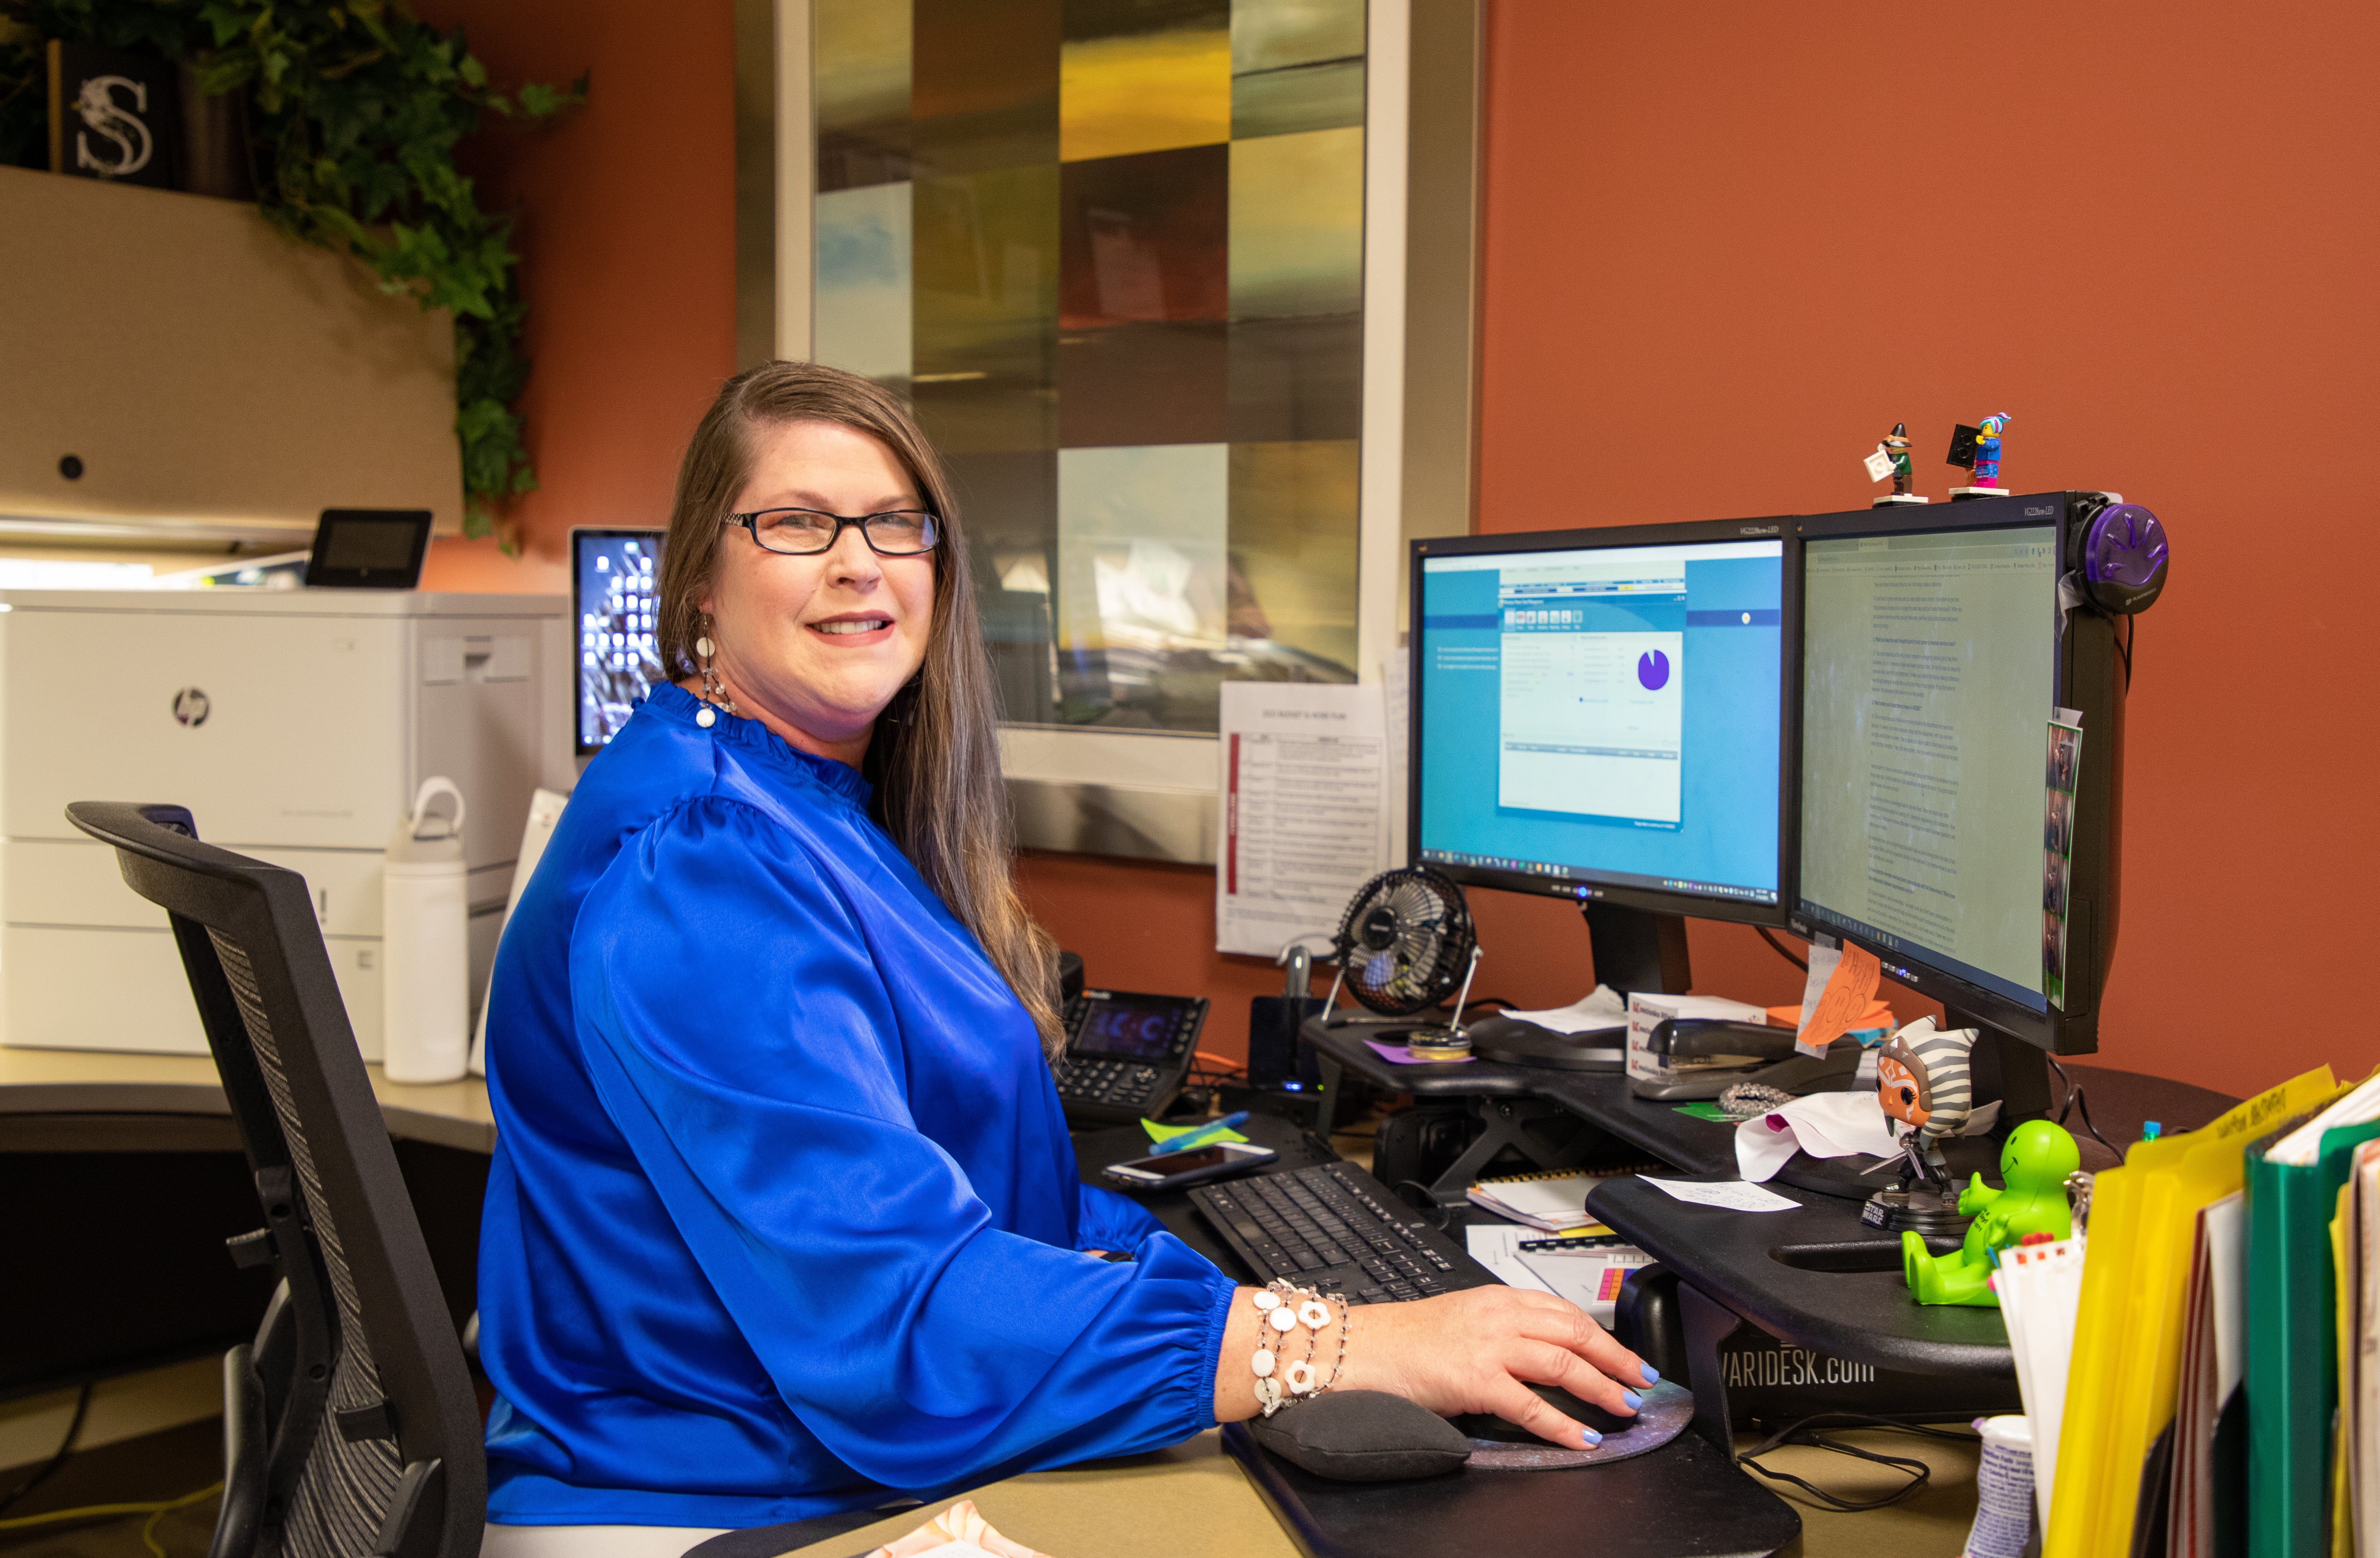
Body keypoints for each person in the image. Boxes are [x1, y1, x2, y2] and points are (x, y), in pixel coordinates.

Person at [475, 362, 1654, 1550]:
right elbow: (904, 1315)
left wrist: (1313, 1315)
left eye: (897, 524)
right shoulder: (701, 865)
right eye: (795, 524)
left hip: (822, 1468)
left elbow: (1002, 1219)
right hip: (717, 1510)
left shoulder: (810, 806)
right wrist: (1336, 1345)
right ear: (700, 582)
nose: (857, 561)